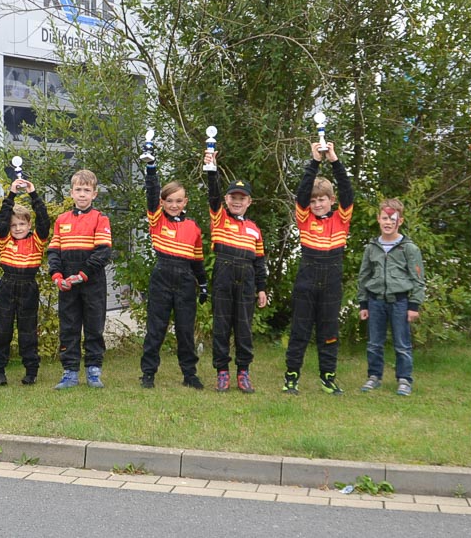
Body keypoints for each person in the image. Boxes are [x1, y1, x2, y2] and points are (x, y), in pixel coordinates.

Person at [284, 142, 353, 395]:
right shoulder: (304, 218)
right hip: (307, 277)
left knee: (329, 332)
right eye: (313, 201)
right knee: (300, 331)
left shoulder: (342, 217)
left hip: (332, 280)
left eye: (322, 199)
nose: (317, 204)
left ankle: (328, 378)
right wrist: (314, 162)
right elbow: (302, 193)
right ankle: (291, 377)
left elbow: (347, 190)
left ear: (331, 200)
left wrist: (334, 160)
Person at [138, 158, 207, 390]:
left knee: (185, 330)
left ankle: (190, 374)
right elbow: (151, 194)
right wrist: (151, 170)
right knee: (155, 329)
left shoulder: (193, 227)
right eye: (169, 201)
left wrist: (203, 284)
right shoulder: (157, 220)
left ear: (185, 201)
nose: (174, 205)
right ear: (162, 203)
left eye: (178, 201)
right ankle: (148, 374)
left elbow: (197, 260)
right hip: (162, 277)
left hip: (186, 279)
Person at [203, 149, 268, 393]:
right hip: (223, 274)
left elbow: (259, 262)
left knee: (244, 327)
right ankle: (222, 372)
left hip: (247, 278)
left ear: (249, 202)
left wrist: (261, 288)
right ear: (226, 200)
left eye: (242, 198)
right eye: (233, 197)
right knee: (221, 326)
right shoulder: (219, 218)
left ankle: (243, 372)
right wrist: (212, 169)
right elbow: (212, 194)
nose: (237, 201)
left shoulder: (254, 229)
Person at [49, 169, 113, 389]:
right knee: (69, 327)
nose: (82, 194)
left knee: (94, 327)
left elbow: (103, 252)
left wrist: (83, 274)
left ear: (94, 194)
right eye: (78, 190)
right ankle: (70, 372)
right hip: (67, 284)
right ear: (71, 192)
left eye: (87, 190)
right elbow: (54, 251)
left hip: (92, 281)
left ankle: (94, 371)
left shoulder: (100, 218)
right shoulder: (62, 220)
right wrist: (56, 275)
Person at [357, 198, 425, 396]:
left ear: (400, 221)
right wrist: (363, 303)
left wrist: (414, 305)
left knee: (402, 344)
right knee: (374, 343)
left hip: (400, 302)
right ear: (378, 219)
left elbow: (418, 278)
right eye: (385, 218)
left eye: (392, 219)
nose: (388, 222)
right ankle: (374, 376)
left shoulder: (409, 248)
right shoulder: (371, 248)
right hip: (375, 301)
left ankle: (404, 379)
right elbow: (364, 276)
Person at [0, 178, 50, 386]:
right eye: (13, 225)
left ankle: (31, 371)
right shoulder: (4, 240)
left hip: (28, 287)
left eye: (22, 224)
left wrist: (33, 194)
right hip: (7, 285)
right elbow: (1, 220)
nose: (17, 228)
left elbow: (44, 221)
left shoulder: (37, 240)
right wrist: (11, 194)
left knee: (28, 331)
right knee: (2, 330)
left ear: (29, 224)